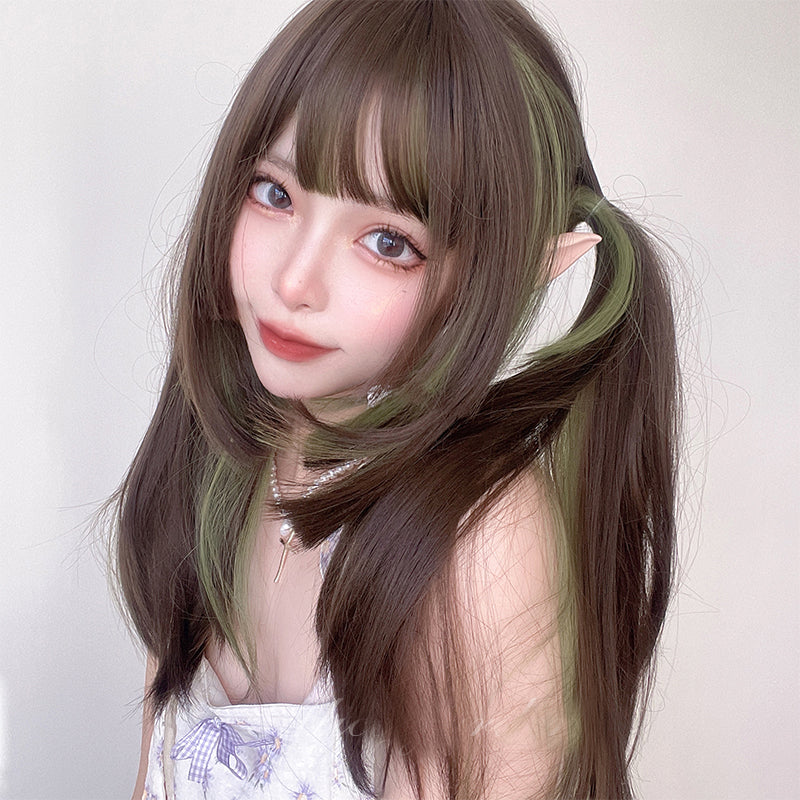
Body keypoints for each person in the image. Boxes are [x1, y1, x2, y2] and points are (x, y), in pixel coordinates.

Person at [115, 0, 679, 797]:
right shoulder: (217, 461)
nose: (294, 282)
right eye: (275, 194)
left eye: (388, 243)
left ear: (522, 271)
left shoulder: (478, 537)